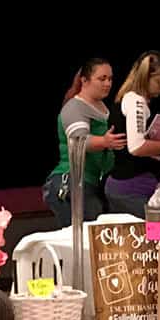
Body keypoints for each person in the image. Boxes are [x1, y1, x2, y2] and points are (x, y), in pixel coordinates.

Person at [42, 58, 126, 228]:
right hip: (71, 182)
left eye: (110, 79)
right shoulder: (75, 107)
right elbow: (78, 141)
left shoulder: (103, 109)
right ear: (84, 81)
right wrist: (104, 141)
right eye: (102, 79)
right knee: (84, 241)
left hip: (91, 184)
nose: (108, 83)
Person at [105, 51, 160, 216]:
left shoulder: (127, 99)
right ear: (146, 77)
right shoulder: (136, 101)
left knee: (129, 240)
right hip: (131, 190)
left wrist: (154, 151)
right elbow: (136, 147)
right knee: (157, 236)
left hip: (124, 187)